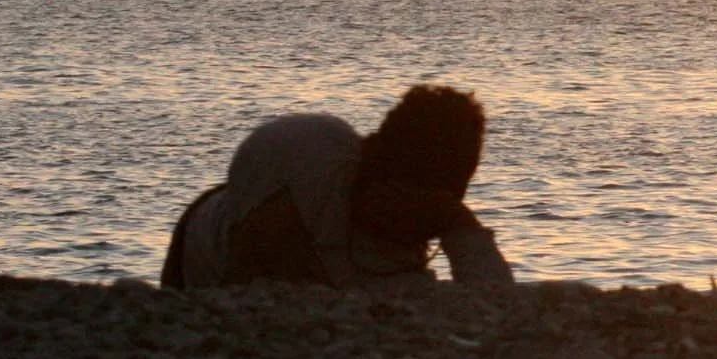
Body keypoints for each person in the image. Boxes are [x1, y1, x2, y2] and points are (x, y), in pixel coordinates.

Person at [160, 84, 515, 289]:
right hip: (199, 245)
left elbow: (498, 309)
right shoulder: (314, 154)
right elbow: (248, 268)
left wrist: (462, 227)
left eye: (444, 198)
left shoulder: (403, 262)